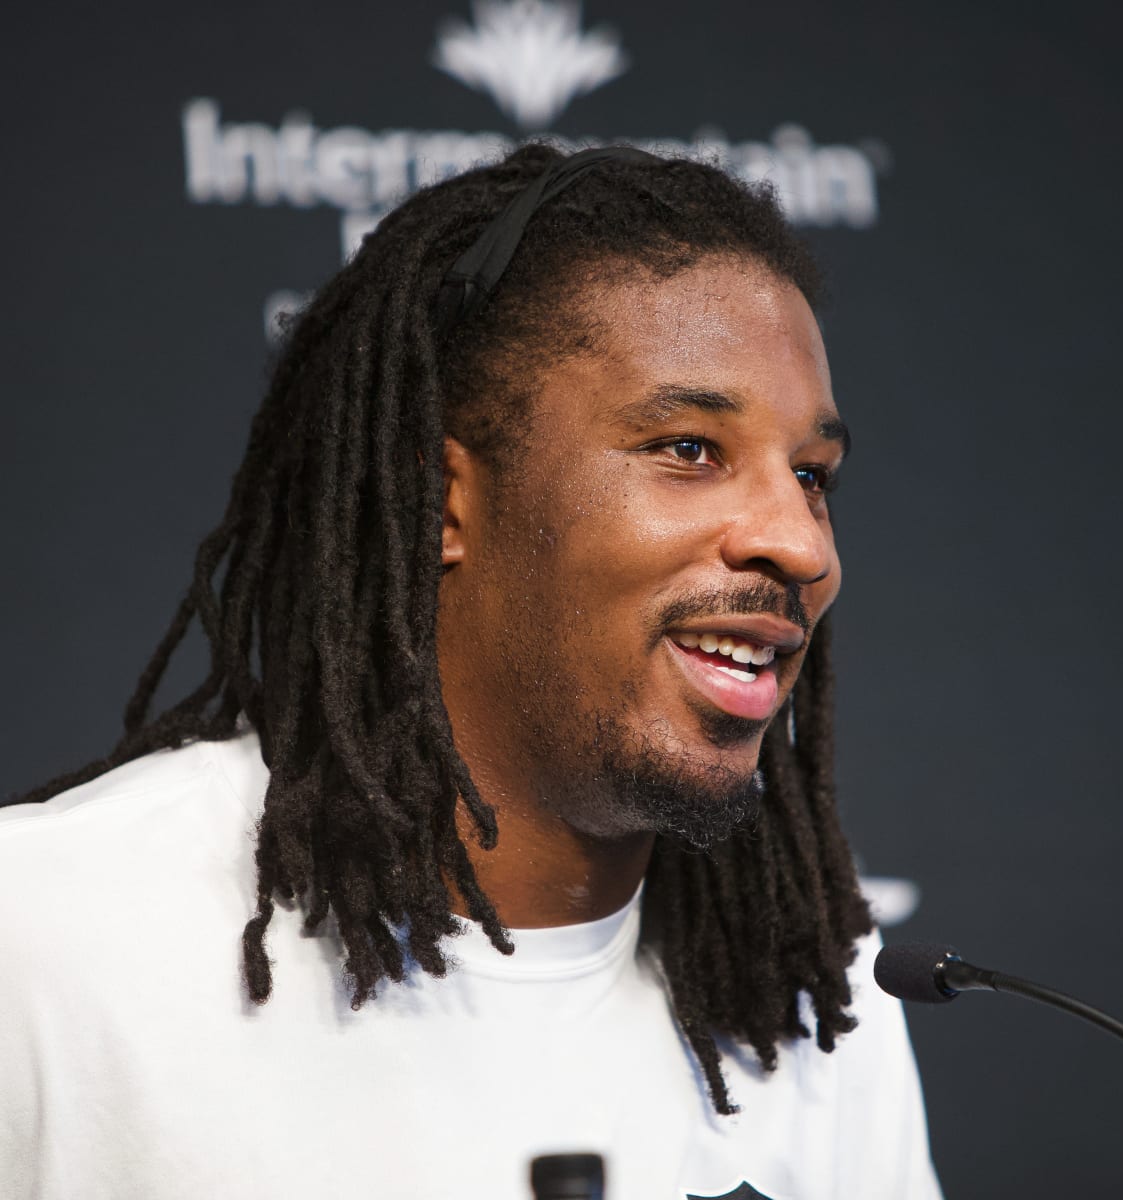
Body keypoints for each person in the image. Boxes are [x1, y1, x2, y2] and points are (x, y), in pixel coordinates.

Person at [0, 144, 941, 1199]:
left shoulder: (824, 993)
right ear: (440, 498)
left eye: (812, 476)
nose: (802, 545)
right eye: (689, 448)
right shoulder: (41, 942)